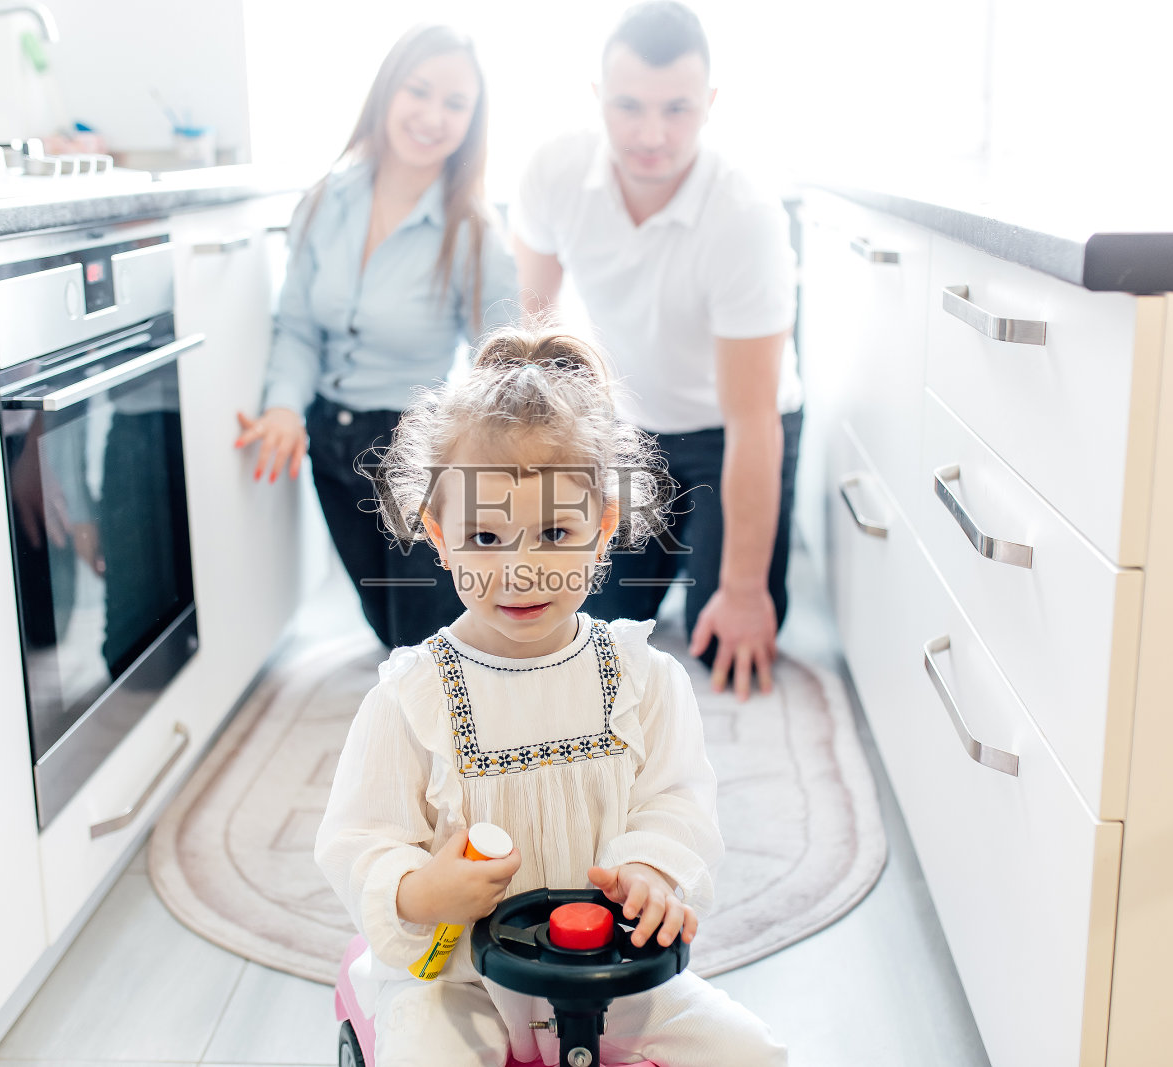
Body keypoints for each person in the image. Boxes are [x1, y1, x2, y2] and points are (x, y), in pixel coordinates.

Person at [315, 326, 787, 1067]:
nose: (522, 568)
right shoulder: (412, 697)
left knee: (750, 1052)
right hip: (461, 979)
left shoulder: (643, 679)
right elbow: (357, 839)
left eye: (554, 531)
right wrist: (416, 889)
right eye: (487, 536)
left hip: (612, 974)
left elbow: (676, 803)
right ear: (439, 536)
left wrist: (653, 871)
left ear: (602, 531)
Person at [512, 1, 799, 702]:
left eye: (677, 109)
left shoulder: (745, 216)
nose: (651, 133)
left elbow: (752, 419)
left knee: (721, 636)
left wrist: (742, 590)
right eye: (629, 106)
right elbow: (531, 345)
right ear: (597, 99)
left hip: (731, 433)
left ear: (709, 103)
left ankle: (712, 574)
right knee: (595, 630)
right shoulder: (553, 171)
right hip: (626, 432)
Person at [235, 24, 518, 649]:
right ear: (387, 92)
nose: (432, 115)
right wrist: (283, 405)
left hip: (413, 451)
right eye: (419, 91)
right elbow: (299, 328)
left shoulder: (473, 233)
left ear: (473, 122)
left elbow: (502, 363)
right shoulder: (323, 203)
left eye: (455, 103)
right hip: (330, 448)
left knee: (429, 643)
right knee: (389, 634)